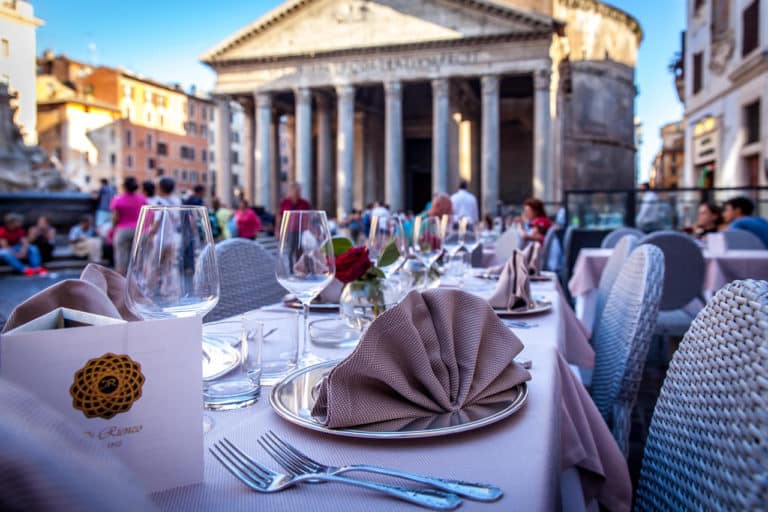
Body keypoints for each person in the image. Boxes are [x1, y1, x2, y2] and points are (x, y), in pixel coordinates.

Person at [110, 176, 147, 275]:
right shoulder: (142, 199)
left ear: (124, 187)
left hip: (123, 230)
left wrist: (113, 228)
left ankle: (120, 286)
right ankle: (138, 286)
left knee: (121, 260)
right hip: (140, 231)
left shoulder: (118, 199)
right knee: (139, 260)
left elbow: (115, 217)